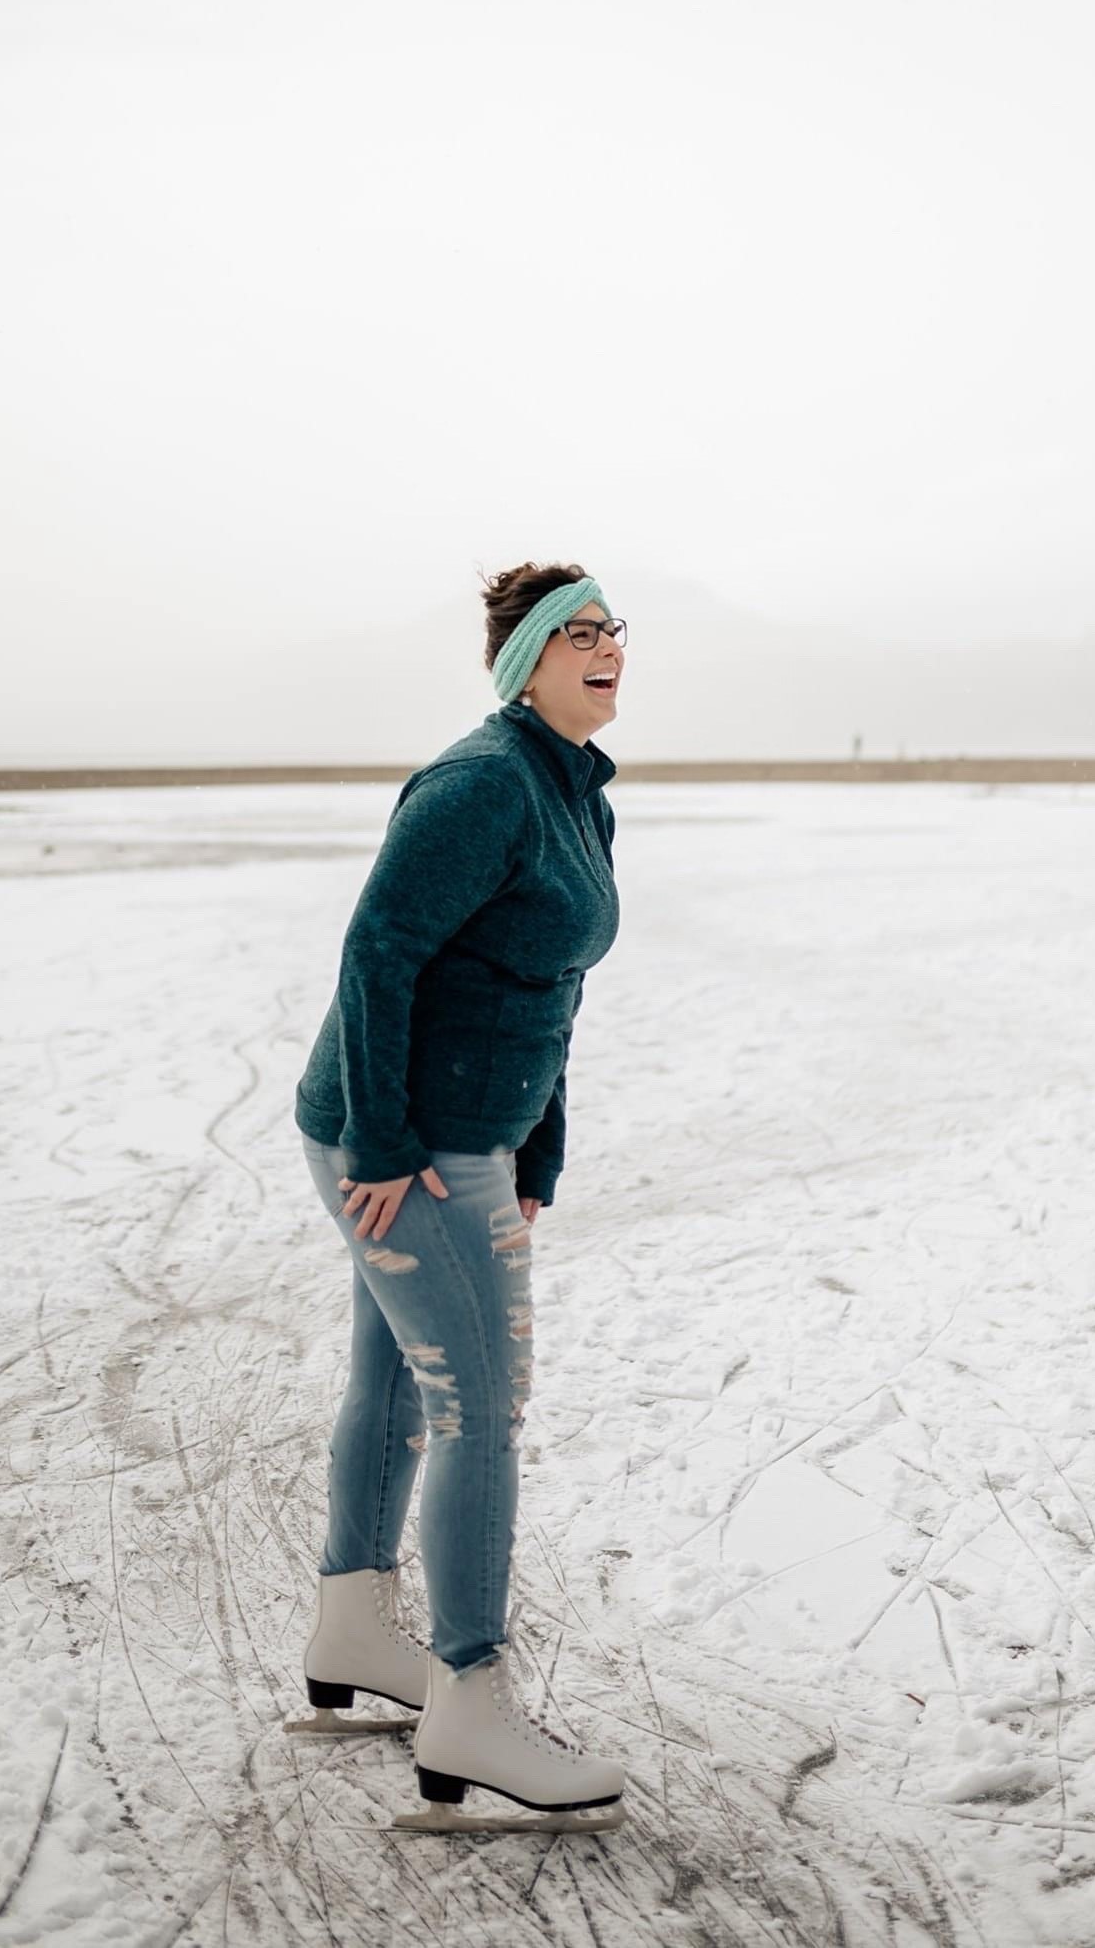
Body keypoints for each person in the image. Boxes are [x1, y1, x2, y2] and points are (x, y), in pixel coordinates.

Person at [291, 562, 628, 1830]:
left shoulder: (575, 792)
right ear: (525, 658)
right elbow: (379, 951)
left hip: (472, 1136)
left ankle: (356, 1632)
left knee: (397, 1381)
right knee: (480, 1406)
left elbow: (552, 985)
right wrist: (380, 1145)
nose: (607, 650)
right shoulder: (481, 783)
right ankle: (471, 1699)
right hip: (409, 1146)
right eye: (579, 633)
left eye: (614, 630)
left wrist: (541, 1146)